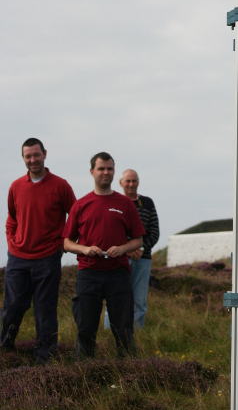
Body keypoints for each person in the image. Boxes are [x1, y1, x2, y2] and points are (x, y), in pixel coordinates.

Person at [63, 152, 145, 358]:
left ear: (114, 171)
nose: (105, 172)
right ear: (92, 172)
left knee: (124, 328)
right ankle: (83, 373)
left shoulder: (125, 204)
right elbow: (66, 242)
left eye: (109, 168)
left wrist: (122, 248)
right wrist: (85, 249)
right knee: (85, 328)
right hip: (88, 273)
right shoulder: (80, 205)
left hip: (118, 273)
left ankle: (130, 373)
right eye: (101, 169)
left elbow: (138, 240)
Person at [1, 138, 76, 362]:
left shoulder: (61, 185)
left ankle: (44, 359)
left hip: (47, 258)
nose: (32, 160)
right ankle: (5, 349)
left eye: (36, 155)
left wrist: (62, 244)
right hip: (18, 258)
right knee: (12, 306)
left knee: (45, 310)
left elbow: (75, 217)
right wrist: (11, 241)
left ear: (44, 154)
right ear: (23, 158)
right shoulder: (15, 186)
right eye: (28, 156)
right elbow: (11, 219)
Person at [103, 169, 159, 331]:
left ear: (138, 182)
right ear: (120, 183)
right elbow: (111, 231)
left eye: (134, 181)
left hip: (143, 259)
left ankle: (136, 334)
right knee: (114, 298)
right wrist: (126, 249)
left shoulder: (148, 203)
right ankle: (109, 334)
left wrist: (141, 248)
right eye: (127, 181)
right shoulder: (114, 202)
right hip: (119, 259)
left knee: (140, 301)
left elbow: (154, 232)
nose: (131, 184)